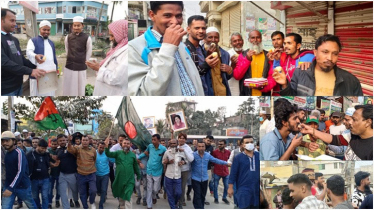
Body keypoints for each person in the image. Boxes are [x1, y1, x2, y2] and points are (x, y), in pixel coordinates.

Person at [128, 1, 204, 96]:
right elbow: (141, 94)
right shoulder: (134, 48)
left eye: (179, 16)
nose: (175, 22)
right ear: (152, 15)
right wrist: (168, 49)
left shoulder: (181, 44)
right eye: (167, 15)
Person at [275, 34, 363, 96]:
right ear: (315, 53)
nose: (330, 58)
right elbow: (292, 97)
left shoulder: (351, 81)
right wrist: (285, 85)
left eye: (335, 53)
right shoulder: (300, 73)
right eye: (325, 52)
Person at [300, 104, 373, 160]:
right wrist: (312, 131)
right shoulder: (352, 135)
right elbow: (334, 139)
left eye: (354, 120)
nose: (350, 123)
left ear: (368, 122)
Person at [1, 9, 46, 96]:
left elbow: (20, 59)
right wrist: (30, 71)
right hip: (6, 89)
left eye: (15, 21)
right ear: (1, 20)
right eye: (11, 20)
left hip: (18, 85)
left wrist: (37, 65)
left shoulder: (14, 39)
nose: (15, 24)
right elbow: (4, 62)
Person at [86, 19, 128, 96]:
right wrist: (100, 66)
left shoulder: (127, 53)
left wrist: (99, 69)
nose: (110, 38)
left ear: (121, 35)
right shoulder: (116, 48)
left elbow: (116, 78)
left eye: (112, 36)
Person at [1, 131, 37, 209]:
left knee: (31, 206)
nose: (4, 143)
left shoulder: (19, 153)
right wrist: (7, 186)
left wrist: (11, 188)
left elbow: (20, 171)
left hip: (22, 186)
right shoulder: (7, 153)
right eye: (3, 141)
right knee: (5, 207)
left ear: (14, 141)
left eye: (7, 141)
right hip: (9, 186)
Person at [191, 141, 230, 209]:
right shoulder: (193, 155)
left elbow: (215, 160)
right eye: (199, 146)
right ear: (197, 147)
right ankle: (198, 207)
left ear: (205, 147)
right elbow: (187, 161)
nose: (201, 148)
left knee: (203, 195)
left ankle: (201, 207)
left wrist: (226, 163)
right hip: (195, 178)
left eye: (203, 146)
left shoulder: (207, 155)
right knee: (197, 195)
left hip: (205, 179)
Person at [233, 30, 273, 96]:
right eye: (252, 38)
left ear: (261, 39)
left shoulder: (268, 55)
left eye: (258, 37)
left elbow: (271, 76)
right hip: (247, 94)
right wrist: (247, 59)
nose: (255, 40)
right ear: (249, 40)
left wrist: (264, 86)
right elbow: (237, 76)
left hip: (264, 94)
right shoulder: (242, 55)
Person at [104, 137, 140, 209]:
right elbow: (108, 154)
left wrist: (138, 174)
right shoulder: (118, 153)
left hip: (130, 180)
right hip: (120, 179)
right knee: (121, 195)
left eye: (128, 143)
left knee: (128, 196)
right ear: (121, 144)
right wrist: (106, 146)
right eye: (124, 143)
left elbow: (135, 166)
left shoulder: (132, 155)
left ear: (130, 145)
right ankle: (122, 206)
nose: (126, 145)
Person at [184, 15, 215, 96]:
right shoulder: (184, 49)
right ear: (188, 30)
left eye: (203, 28)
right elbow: (187, 76)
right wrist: (206, 65)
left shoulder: (201, 48)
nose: (201, 31)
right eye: (197, 28)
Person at [26, 20, 58, 96]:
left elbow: (54, 58)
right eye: (44, 29)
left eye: (48, 30)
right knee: (36, 93)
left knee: (50, 93)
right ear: (39, 29)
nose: (46, 32)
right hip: (38, 74)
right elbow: (29, 52)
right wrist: (35, 56)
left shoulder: (51, 43)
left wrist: (56, 69)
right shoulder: (33, 41)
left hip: (50, 73)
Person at [63, 16, 92, 96]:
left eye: (78, 25)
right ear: (72, 26)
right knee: (68, 86)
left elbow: (89, 52)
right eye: (74, 25)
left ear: (82, 26)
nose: (76, 27)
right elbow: (67, 50)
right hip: (69, 66)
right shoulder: (68, 37)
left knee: (80, 87)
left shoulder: (87, 38)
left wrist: (83, 62)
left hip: (81, 67)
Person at [67, 135, 97, 209]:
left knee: (93, 190)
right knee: (82, 193)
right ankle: (85, 207)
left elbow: (94, 159)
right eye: (83, 140)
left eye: (86, 140)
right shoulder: (77, 148)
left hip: (91, 174)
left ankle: (92, 202)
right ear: (81, 141)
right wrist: (69, 141)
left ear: (89, 141)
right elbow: (70, 150)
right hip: (81, 175)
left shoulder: (93, 150)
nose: (85, 142)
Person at [137, 134, 167, 209]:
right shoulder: (150, 146)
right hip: (149, 170)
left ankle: (154, 196)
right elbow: (145, 153)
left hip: (158, 172)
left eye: (155, 140)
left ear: (159, 140)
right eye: (152, 140)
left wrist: (166, 161)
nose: (153, 141)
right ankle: (149, 205)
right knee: (149, 188)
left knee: (155, 189)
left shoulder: (163, 149)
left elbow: (167, 156)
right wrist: (139, 158)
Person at [201, 27, 232, 96]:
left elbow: (227, 77)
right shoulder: (199, 53)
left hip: (222, 93)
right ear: (205, 39)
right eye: (210, 37)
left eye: (216, 37)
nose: (213, 40)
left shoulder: (225, 54)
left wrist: (229, 70)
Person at [228, 142, 259, 209]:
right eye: (247, 142)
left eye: (251, 142)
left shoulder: (259, 156)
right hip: (243, 188)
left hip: (257, 189)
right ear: (242, 145)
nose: (250, 144)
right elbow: (233, 173)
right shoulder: (238, 157)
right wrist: (230, 187)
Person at [55, 134, 80, 209]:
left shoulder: (72, 148)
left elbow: (72, 151)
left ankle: (76, 200)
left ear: (66, 140)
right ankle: (66, 207)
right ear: (58, 142)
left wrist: (69, 142)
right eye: (60, 141)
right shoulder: (57, 150)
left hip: (72, 174)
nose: (62, 142)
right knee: (62, 193)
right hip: (62, 174)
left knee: (75, 190)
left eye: (63, 140)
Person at [26, 139, 51, 209]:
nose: (44, 150)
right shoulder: (30, 154)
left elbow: (50, 162)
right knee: (35, 196)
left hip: (45, 178)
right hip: (34, 179)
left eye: (45, 148)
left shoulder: (46, 154)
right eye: (42, 148)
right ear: (38, 146)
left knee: (45, 196)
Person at [162, 139, 186, 209]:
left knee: (178, 193)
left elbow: (185, 160)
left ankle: (175, 203)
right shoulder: (167, 152)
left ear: (177, 144)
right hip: (168, 176)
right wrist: (168, 162)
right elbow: (163, 162)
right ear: (169, 145)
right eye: (171, 143)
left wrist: (182, 162)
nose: (173, 144)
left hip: (178, 176)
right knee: (170, 194)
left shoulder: (181, 152)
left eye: (174, 143)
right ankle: (173, 207)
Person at [176, 133, 194, 208]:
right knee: (176, 187)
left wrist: (184, 151)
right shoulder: (176, 146)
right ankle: (177, 200)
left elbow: (191, 159)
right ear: (178, 139)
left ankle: (181, 202)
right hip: (176, 170)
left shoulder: (187, 148)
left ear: (185, 140)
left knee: (182, 187)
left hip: (184, 171)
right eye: (180, 138)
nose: (181, 139)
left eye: (183, 138)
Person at [211, 140, 231, 204]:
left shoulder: (228, 152)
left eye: (221, 144)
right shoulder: (214, 152)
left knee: (226, 186)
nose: (219, 145)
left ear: (225, 145)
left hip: (225, 172)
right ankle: (216, 198)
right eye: (219, 144)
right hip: (217, 171)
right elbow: (212, 161)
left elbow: (229, 161)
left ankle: (224, 198)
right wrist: (212, 170)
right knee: (215, 186)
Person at [95, 142, 110, 209]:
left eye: (103, 148)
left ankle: (101, 204)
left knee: (104, 189)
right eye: (100, 147)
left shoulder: (107, 153)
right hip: (96, 174)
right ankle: (102, 196)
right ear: (97, 146)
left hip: (105, 174)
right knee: (98, 190)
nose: (101, 149)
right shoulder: (94, 153)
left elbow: (113, 159)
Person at [47, 138, 60, 208]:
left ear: (58, 144)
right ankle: (49, 203)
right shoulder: (47, 151)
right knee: (49, 189)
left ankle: (57, 200)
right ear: (50, 144)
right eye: (53, 144)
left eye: (55, 144)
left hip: (59, 173)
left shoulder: (60, 150)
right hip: (50, 174)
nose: (54, 145)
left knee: (59, 189)